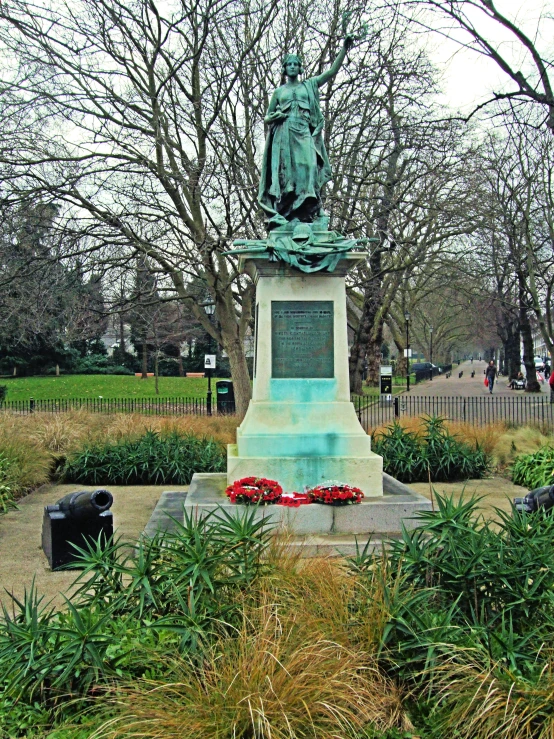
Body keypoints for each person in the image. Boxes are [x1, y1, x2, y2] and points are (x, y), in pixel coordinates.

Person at [258, 36, 354, 228]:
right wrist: (275, 116)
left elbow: (331, 72)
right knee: (288, 177)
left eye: (295, 64)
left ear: (300, 68)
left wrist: (344, 49)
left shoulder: (308, 85)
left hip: (303, 132)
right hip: (284, 135)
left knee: (310, 168)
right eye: (289, 64)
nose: (292, 67)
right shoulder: (279, 92)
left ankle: (312, 209)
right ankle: (288, 213)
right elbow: (267, 118)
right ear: (285, 68)